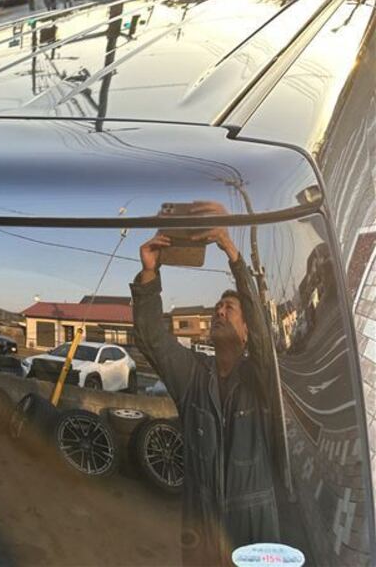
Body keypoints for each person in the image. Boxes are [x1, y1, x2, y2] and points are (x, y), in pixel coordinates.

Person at [130, 203, 280, 566]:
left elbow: (264, 335)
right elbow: (151, 339)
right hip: (203, 530)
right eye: (217, 308)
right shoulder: (194, 376)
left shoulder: (259, 377)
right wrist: (150, 272)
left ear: (246, 330)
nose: (219, 312)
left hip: (253, 529)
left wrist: (231, 252)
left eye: (229, 308)